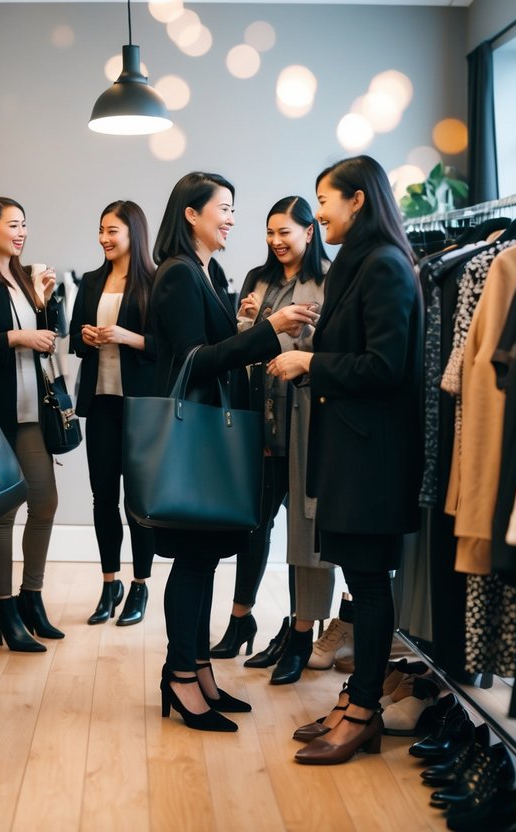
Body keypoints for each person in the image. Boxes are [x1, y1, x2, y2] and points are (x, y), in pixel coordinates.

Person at [148, 172, 317, 732]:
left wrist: (248, 324)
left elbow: (214, 345)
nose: (231, 218)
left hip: (211, 437)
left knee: (203, 559)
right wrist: (269, 329)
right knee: (194, 561)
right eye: (223, 208)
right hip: (198, 439)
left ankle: (198, 670)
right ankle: (178, 677)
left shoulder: (206, 271)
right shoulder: (177, 274)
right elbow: (191, 361)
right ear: (191, 214)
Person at [268, 155, 423, 764]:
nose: (320, 212)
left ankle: (363, 713)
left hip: (372, 458)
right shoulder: (359, 266)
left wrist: (310, 363)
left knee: (367, 585)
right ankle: (355, 702)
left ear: (357, 201)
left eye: (325, 200)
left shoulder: (383, 265)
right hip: (353, 451)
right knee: (360, 582)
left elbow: (387, 366)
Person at [210, 196, 338, 687]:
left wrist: (279, 338)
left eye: (286, 232)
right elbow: (241, 345)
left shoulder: (330, 281)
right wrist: (243, 322)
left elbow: (324, 350)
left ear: (310, 231)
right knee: (253, 526)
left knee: (306, 535)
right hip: (261, 423)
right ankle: (242, 618)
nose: (277, 241)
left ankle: (300, 634)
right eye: (270, 233)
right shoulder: (257, 281)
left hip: (307, 424)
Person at [0, 196, 63, 652]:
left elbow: (46, 342)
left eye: (25, 224)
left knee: (44, 502)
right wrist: (14, 336)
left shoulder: (24, 281)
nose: (22, 232)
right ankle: (3, 607)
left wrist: (42, 306)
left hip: (34, 411)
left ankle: (31, 599)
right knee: (4, 511)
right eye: (13, 224)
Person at [69, 200, 157, 626]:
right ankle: (110, 584)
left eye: (112, 231)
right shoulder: (90, 281)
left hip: (139, 409)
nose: (104, 238)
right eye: (101, 230)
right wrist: (87, 336)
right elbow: (73, 339)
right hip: (100, 403)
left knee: (137, 503)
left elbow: (167, 347)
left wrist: (128, 337)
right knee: (102, 498)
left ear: (133, 234)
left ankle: (140, 585)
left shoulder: (156, 283)